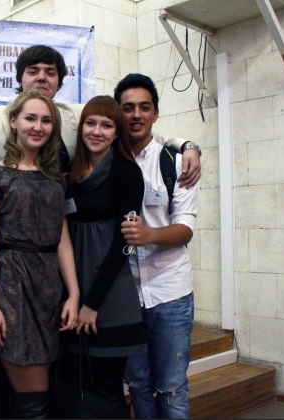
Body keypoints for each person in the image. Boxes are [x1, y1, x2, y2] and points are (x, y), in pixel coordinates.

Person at [0, 46, 202, 204]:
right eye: (33, 71)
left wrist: (186, 145)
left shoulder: (78, 115)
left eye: (50, 73)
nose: (41, 78)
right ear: (20, 79)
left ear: (59, 83)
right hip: (4, 228)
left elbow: (131, 129)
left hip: (63, 224)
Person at [0, 89, 80, 419]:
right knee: (35, 400)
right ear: (13, 122)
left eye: (46, 120)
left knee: (38, 393)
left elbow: (62, 240)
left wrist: (74, 294)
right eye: (30, 118)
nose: (38, 126)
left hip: (49, 289)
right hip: (12, 288)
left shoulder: (55, 178)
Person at [116, 74, 198, 419]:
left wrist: (149, 235)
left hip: (170, 293)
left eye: (144, 107)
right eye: (128, 108)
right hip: (124, 297)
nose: (136, 114)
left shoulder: (175, 162)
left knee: (172, 388)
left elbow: (185, 228)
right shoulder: (107, 160)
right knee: (138, 386)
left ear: (155, 113)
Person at [64, 95, 146, 412]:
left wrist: (92, 303)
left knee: (107, 390)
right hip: (70, 289)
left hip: (109, 294)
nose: (97, 131)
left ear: (116, 132)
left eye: (107, 125)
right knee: (74, 384)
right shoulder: (67, 171)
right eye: (91, 123)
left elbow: (123, 245)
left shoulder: (128, 173)